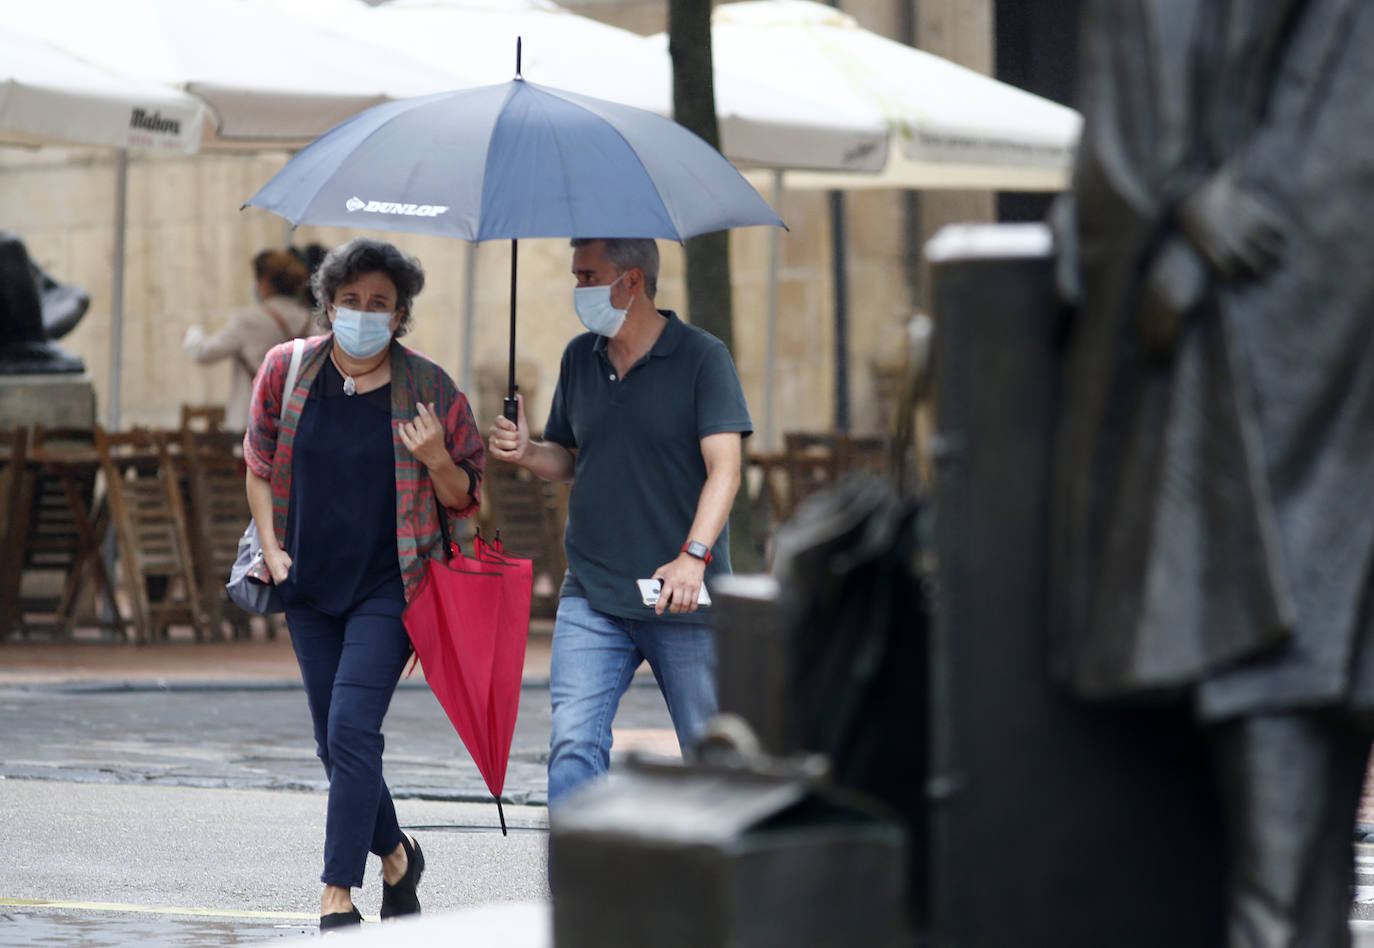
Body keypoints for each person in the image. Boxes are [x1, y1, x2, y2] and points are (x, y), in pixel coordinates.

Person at [1054, 1, 1374, 944]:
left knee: (1283, 882)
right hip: (1270, 389)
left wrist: (1178, 216)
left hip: (1275, 392)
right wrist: (1180, 206)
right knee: (1289, 876)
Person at [242, 237, 484, 931]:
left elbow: (467, 498)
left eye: (379, 304)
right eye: (350, 301)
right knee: (332, 740)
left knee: (351, 727)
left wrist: (438, 457)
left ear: (401, 312)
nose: (363, 314)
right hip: (307, 581)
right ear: (328, 303)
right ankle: (400, 856)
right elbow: (258, 465)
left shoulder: (430, 389)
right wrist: (271, 546)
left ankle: (337, 892)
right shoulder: (287, 371)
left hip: (392, 586)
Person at [487, 237, 752, 805]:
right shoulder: (579, 357)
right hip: (595, 591)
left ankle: (723, 887)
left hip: (683, 596)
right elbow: (569, 458)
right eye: (576, 275)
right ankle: (578, 894)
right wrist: (529, 450)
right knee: (574, 745)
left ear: (632, 281)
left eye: (587, 276)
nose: (577, 290)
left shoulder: (703, 358)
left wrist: (694, 558)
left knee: (710, 754)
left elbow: (725, 470)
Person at [184, 249, 313, 430]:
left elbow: (202, 353)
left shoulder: (250, 320)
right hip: (296, 424)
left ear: (265, 282)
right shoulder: (309, 321)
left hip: (253, 423)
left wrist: (193, 331)